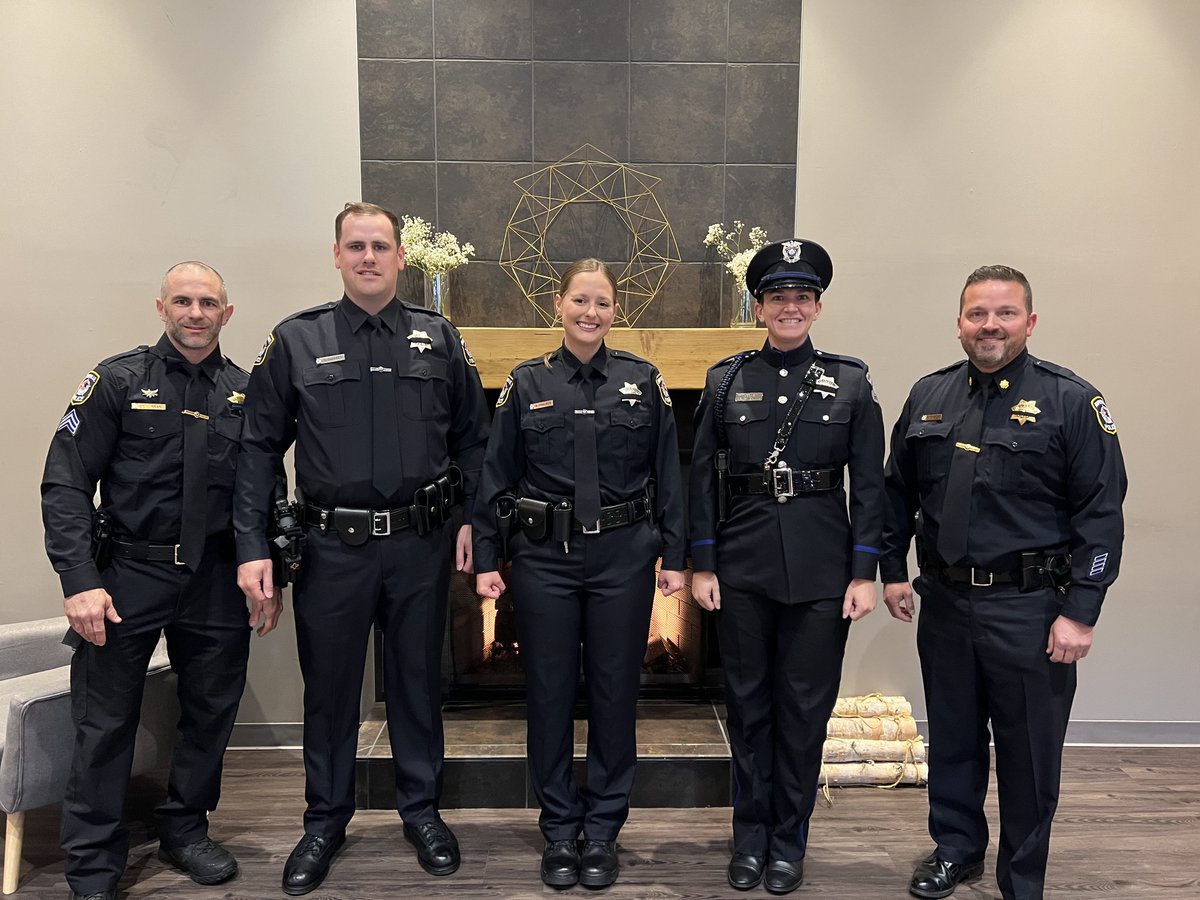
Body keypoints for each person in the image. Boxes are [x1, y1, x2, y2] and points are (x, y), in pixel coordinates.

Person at [233, 202, 490, 895]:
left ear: (402, 257)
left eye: (381, 246)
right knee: (332, 692)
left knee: (415, 687)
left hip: (420, 543)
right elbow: (257, 448)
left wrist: (470, 518)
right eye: (357, 246)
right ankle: (324, 821)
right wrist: (253, 544)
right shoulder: (296, 340)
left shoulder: (438, 339)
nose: (370, 257)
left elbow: (474, 437)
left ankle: (422, 811)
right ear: (338, 255)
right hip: (330, 550)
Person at [880, 265, 1127, 900]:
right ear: (959, 323)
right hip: (945, 602)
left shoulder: (1071, 401)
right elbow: (896, 493)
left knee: (1028, 754)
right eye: (977, 314)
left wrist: (1082, 611)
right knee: (954, 738)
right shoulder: (929, 395)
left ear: (1030, 321)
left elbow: (1100, 514)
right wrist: (891, 572)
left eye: (1005, 313)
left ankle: (1021, 876)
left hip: (1031, 607)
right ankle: (956, 849)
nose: (990, 325)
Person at [41, 261, 276, 900]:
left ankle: (186, 829)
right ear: (161, 307)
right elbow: (65, 482)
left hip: (217, 576)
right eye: (183, 301)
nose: (194, 313)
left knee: (209, 712)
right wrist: (78, 579)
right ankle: (92, 860)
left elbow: (262, 491)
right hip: (127, 573)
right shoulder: (116, 381)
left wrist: (266, 567)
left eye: (208, 303)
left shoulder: (246, 391)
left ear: (227, 314)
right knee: (107, 719)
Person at [473, 258, 686, 889]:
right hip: (546, 560)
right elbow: (495, 475)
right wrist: (488, 557)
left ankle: (603, 830)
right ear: (558, 305)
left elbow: (669, 474)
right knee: (549, 693)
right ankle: (560, 829)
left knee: (618, 693)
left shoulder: (642, 381)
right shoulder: (525, 381)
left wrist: (675, 557)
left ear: (615, 311)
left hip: (624, 554)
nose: (590, 313)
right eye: (580, 301)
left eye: (602, 303)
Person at [688, 239, 885, 895]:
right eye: (778, 297)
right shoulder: (725, 380)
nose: (790, 307)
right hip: (741, 567)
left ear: (818, 306)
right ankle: (748, 838)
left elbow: (872, 488)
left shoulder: (851, 382)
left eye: (802, 296)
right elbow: (700, 481)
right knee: (747, 709)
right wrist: (703, 563)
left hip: (822, 570)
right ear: (760, 305)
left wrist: (864, 572)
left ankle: (787, 842)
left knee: (803, 713)